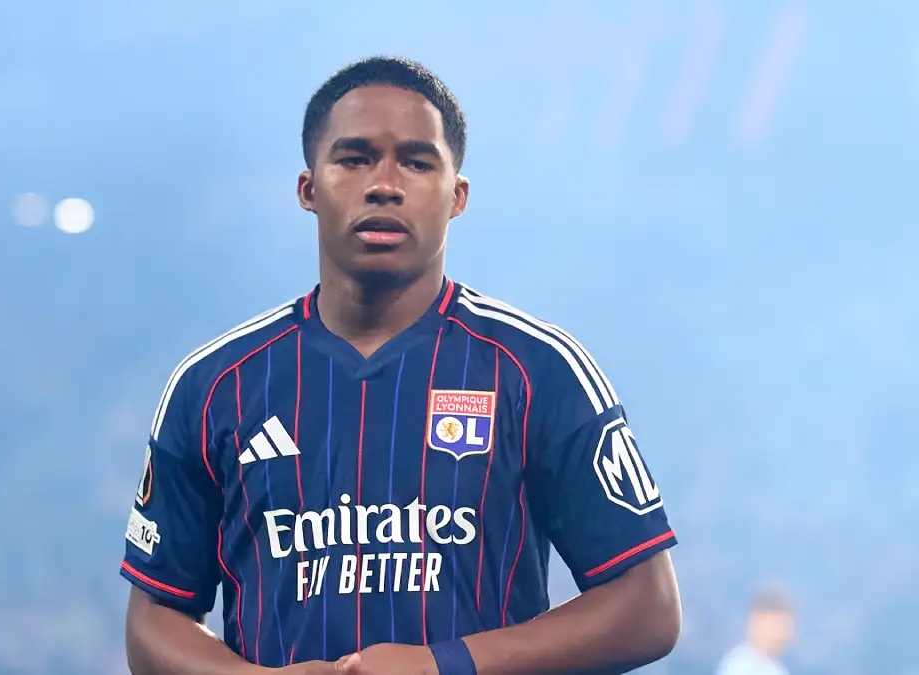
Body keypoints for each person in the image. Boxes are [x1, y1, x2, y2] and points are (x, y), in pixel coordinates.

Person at [120, 56, 682, 675]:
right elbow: (153, 620)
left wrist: (446, 665)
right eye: (354, 158)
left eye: (417, 161)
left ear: (457, 195)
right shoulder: (213, 385)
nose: (385, 183)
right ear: (309, 188)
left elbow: (648, 607)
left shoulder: (538, 370)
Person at [715, 588, 794, 675]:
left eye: (785, 626)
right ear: (756, 620)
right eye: (777, 624)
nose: (783, 634)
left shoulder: (776, 669)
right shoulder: (740, 666)